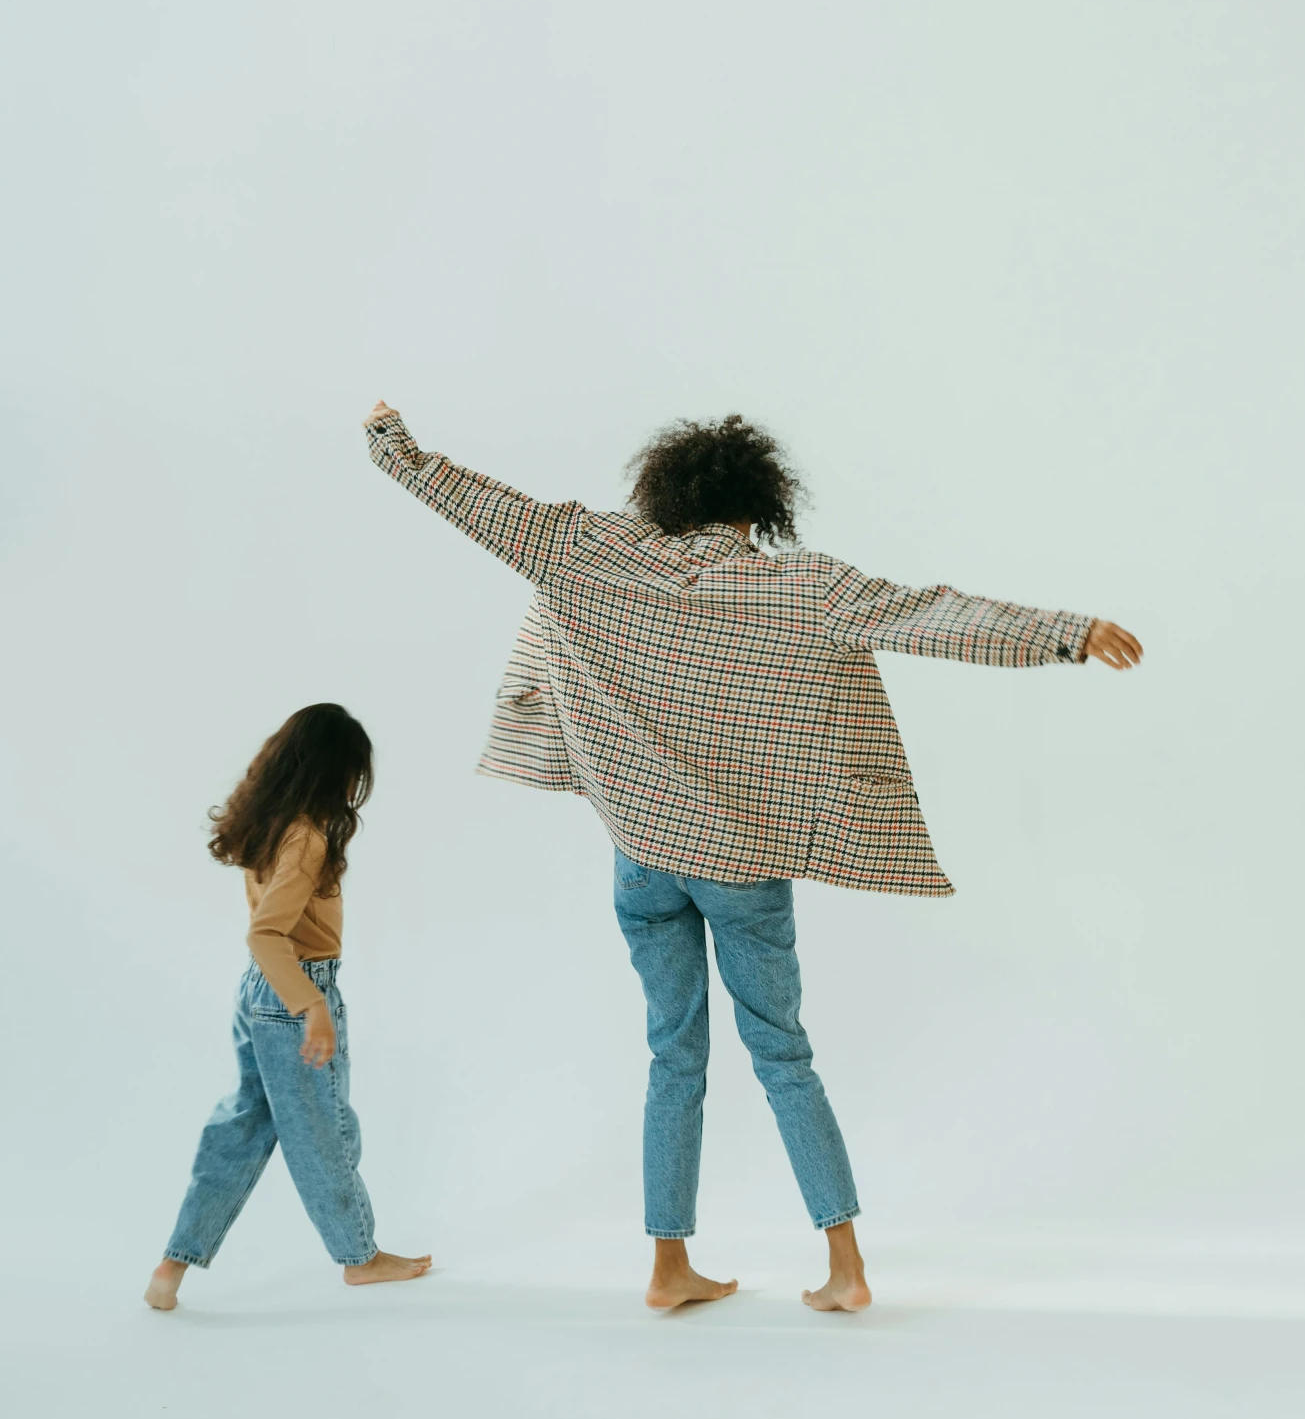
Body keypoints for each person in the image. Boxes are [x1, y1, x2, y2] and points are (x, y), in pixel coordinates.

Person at [363, 404, 1142, 1316]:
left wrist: (391, 442)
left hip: (641, 855)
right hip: (738, 861)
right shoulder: (800, 587)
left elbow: (467, 500)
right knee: (781, 1053)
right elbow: (928, 615)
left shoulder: (585, 552)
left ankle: (667, 1268)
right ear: (756, 508)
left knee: (672, 1056)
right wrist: (1064, 632)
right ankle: (844, 1269)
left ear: (665, 494)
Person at [144, 703, 431, 1310]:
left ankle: (173, 1265)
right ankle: (360, 1258)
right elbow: (267, 934)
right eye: (354, 772)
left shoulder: (272, 823)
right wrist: (311, 1006)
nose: (357, 785)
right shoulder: (306, 836)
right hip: (293, 991)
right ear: (333, 770)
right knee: (324, 1134)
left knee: (241, 1129)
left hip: (258, 993)